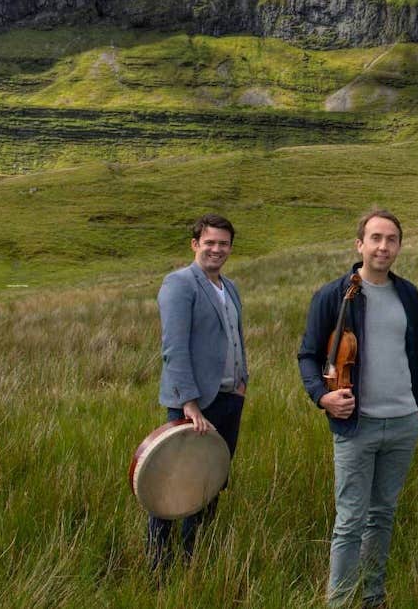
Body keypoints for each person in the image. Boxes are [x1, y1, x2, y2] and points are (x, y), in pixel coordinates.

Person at [297, 209, 418, 609]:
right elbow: (307, 354)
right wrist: (321, 397)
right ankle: (338, 602)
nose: (383, 246)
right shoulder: (334, 295)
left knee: (383, 515)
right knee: (350, 522)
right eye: (375, 238)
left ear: (399, 247)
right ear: (359, 244)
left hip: (403, 422)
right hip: (356, 427)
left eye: (391, 239)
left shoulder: (407, 293)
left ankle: (374, 597)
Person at [149, 213, 248, 570]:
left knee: (210, 483)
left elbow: (235, 338)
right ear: (195, 244)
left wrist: (242, 382)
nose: (216, 250)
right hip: (194, 405)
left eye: (223, 244)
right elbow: (173, 348)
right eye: (209, 243)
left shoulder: (230, 287)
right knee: (174, 486)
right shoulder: (179, 284)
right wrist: (188, 403)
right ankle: (160, 565)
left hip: (227, 401)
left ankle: (195, 559)